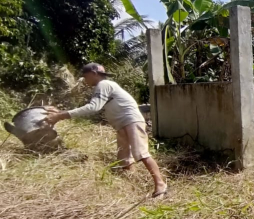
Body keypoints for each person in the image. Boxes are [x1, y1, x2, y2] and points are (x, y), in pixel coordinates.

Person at [45, 63, 167, 197]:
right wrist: (61, 112)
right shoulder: (104, 86)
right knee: (124, 157)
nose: (85, 80)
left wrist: (61, 115)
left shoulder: (103, 85)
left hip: (131, 121)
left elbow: (93, 107)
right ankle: (131, 185)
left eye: (86, 76)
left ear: (93, 73)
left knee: (141, 152)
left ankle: (160, 185)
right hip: (122, 123)